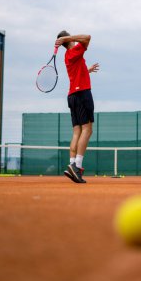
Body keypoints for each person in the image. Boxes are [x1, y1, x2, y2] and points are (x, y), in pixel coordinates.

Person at [55, 30, 99, 183]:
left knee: (77, 132)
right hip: (82, 94)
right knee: (87, 129)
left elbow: (78, 73)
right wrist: (69, 37)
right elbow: (88, 37)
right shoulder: (73, 51)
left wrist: (88, 71)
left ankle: (72, 164)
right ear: (68, 40)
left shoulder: (68, 56)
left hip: (73, 96)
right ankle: (77, 167)